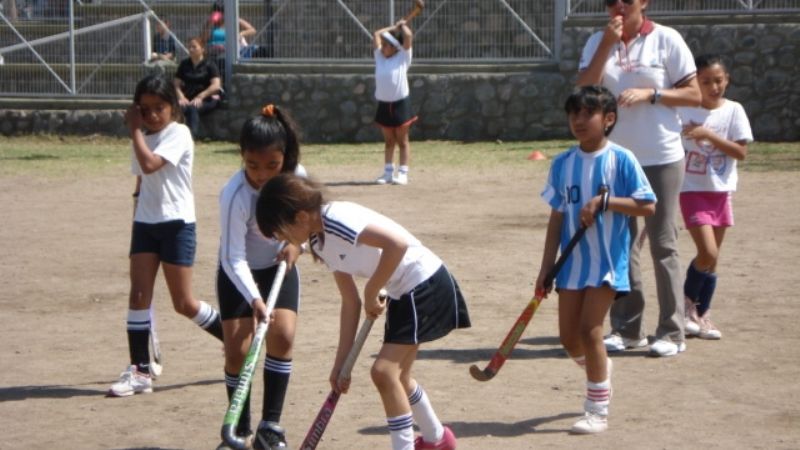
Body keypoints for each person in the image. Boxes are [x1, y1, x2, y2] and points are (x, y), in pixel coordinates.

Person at [255, 174, 470, 450]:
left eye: (282, 233)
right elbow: (350, 302)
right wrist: (341, 364)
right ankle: (438, 440)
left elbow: (397, 244)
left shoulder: (336, 219)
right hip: (404, 292)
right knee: (399, 377)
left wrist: (372, 290)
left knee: (383, 373)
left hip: (424, 283)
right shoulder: (321, 242)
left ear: (299, 217)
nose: (284, 241)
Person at [576, 0, 702, 357]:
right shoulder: (596, 41)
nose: (617, 6)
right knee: (621, 245)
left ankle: (672, 331)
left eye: (625, 1)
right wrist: (605, 45)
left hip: (661, 156)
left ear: (643, 3)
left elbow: (694, 93)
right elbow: (582, 90)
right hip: (616, 159)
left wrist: (653, 94)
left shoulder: (666, 39)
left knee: (664, 243)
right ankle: (628, 328)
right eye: (610, 1)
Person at [537, 85, 656, 434]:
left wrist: (606, 202)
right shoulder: (562, 164)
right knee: (568, 339)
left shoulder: (621, 159)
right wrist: (546, 268)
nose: (578, 120)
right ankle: (598, 367)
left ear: (608, 119)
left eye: (586, 113)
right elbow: (556, 217)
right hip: (571, 263)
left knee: (591, 331)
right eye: (573, 113)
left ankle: (596, 410)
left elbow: (647, 205)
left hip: (607, 262)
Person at [108, 74, 224, 397]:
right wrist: (136, 214)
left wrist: (133, 129)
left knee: (184, 303)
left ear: (173, 107)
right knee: (138, 297)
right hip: (146, 225)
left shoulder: (180, 134)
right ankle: (139, 371)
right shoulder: (143, 136)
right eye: (144, 110)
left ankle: (234, 339)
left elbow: (150, 164)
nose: (152, 115)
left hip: (176, 224)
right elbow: (141, 182)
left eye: (159, 107)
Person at [216, 104, 307, 450]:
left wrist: (296, 245)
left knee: (282, 337)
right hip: (238, 275)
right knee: (237, 351)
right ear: (242, 156)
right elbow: (232, 256)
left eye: (272, 165)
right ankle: (238, 427)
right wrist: (254, 299)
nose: (261, 174)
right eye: (252, 165)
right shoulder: (235, 194)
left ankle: (271, 427)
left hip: (278, 269)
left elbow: (310, 223)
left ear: (284, 157)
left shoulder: (296, 179)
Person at [678, 54, 752, 340]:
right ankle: (685, 308)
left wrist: (708, 134)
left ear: (727, 80)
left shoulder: (734, 110)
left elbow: (741, 152)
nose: (713, 86)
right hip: (692, 190)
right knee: (707, 252)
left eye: (718, 80)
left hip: (721, 191)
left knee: (713, 259)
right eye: (705, 81)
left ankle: (702, 314)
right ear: (695, 82)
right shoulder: (684, 111)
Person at [372, 19, 417, 186]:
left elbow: (408, 36)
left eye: (386, 45)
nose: (382, 47)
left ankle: (403, 173)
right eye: (382, 45)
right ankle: (388, 173)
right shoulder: (379, 58)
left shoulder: (403, 57)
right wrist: (393, 27)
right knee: (389, 141)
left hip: (400, 104)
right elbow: (376, 34)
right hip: (384, 104)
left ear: (394, 48)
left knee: (402, 141)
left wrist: (403, 25)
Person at [174, 37, 222, 140]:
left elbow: (216, 85)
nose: (191, 49)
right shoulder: (184, 64)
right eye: (189, 47)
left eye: (194, 47)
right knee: (177, 108)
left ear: (202, 49)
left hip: (208, 99)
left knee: (192, 108)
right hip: (188, 98)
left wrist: (200, 96)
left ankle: (191, 138)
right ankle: (173, 137)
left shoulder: (210, 64)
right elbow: (176, 84)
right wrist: (181, 97)